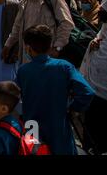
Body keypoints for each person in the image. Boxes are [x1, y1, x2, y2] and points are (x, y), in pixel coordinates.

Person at [16, 25, 94, 155]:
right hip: (59, 126)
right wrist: (73, 108)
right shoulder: (64, 66)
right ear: (50, 44)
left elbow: (16, 97)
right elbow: (87, 92)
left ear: (28, 47)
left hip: (32, 127)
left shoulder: (23, 71)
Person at [2, 0, 74, 64]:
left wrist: (57, 48)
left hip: (47, 59)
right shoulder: (23, 3)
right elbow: (17, 28)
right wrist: (7, 45)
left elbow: (66, 24)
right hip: (26, 59)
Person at [80, 0, 107, 154]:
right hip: (95, 91)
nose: (101, 12)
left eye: (104, 10)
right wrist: (92, 46)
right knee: (91, 133)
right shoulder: (103, 30)